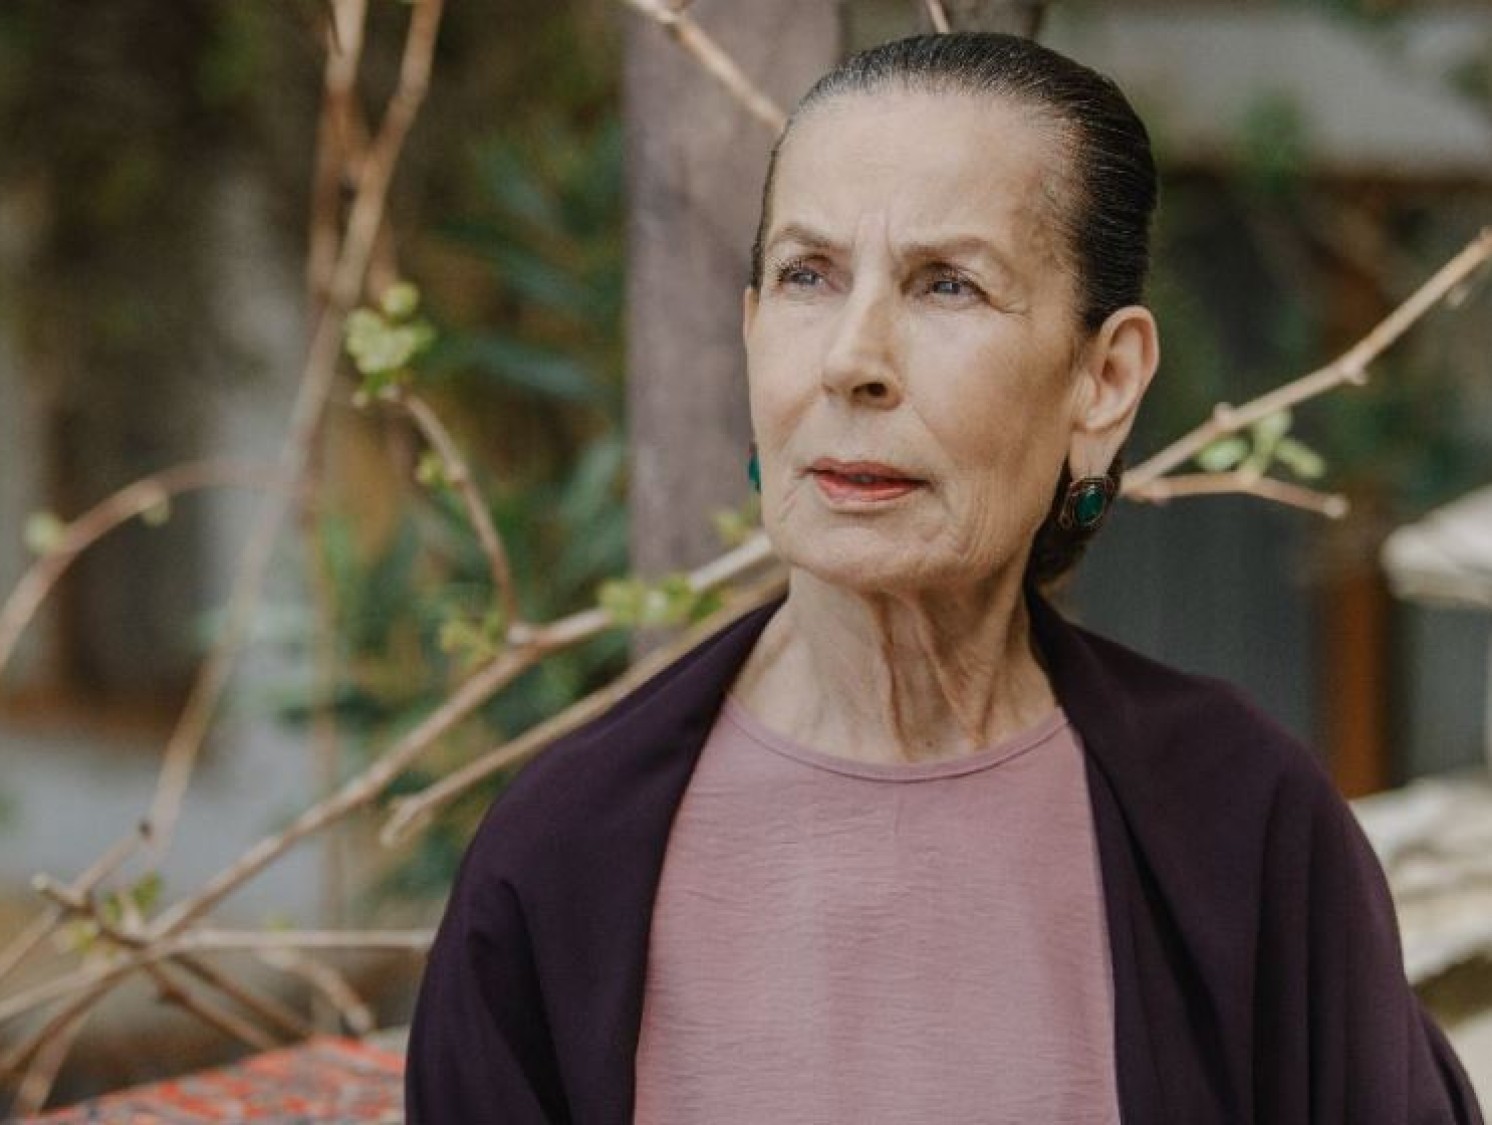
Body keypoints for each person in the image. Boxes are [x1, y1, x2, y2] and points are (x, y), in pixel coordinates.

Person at [405, 31, 1484, 1125]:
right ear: (752, 332)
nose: (852, 360)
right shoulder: (562, 858)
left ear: (1104, 378)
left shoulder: (1242, 827)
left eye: (948, 286)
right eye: (807, 276)